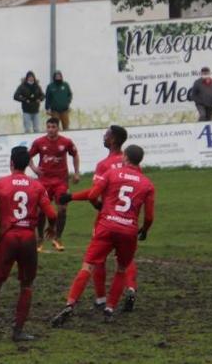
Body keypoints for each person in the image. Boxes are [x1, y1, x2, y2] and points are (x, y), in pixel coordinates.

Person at [50, 145, 155, 325]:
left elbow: (92, 195)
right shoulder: (147, 184)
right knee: (122, 268)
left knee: (88, 266)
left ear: (125, 158)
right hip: (129, 230)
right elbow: (150, 216)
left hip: (106, 226)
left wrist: (100, 207)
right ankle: (110, 308)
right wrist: (144, 230)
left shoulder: (111, 174)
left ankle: (70, 304)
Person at [0, 146, 58, 344]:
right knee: (26, 285)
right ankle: (18, 331)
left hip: (7, 238)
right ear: (27, 166)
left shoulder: (0, 184)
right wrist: (52, 228)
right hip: (28, 239)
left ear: (11, 163)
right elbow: (52, 214)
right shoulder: (37, 186)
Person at [87, 125, 136, 310]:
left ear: (113, 140)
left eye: (107, 135)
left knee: (98, 258)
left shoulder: (103, 165)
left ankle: (100, 298)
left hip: (106, 218)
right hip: (128, 217)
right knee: (126, 258)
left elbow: (95, 194)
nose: (104, 137)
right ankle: (131, 287)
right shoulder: (132, 162)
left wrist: (99, 207)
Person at [28, 117, 80, 252]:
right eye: (49, 127)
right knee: (40, 211)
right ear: (46, 128)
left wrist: (76, 173)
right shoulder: (39, 142)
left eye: (53, 127)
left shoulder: (66, 142)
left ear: (58, 128)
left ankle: (57, 238)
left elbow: (75, 155)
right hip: (44, 182)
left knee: (62, 209)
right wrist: (34, 169)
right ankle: (40, 239)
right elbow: (28, 156)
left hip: (61, 182)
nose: (51, 129)